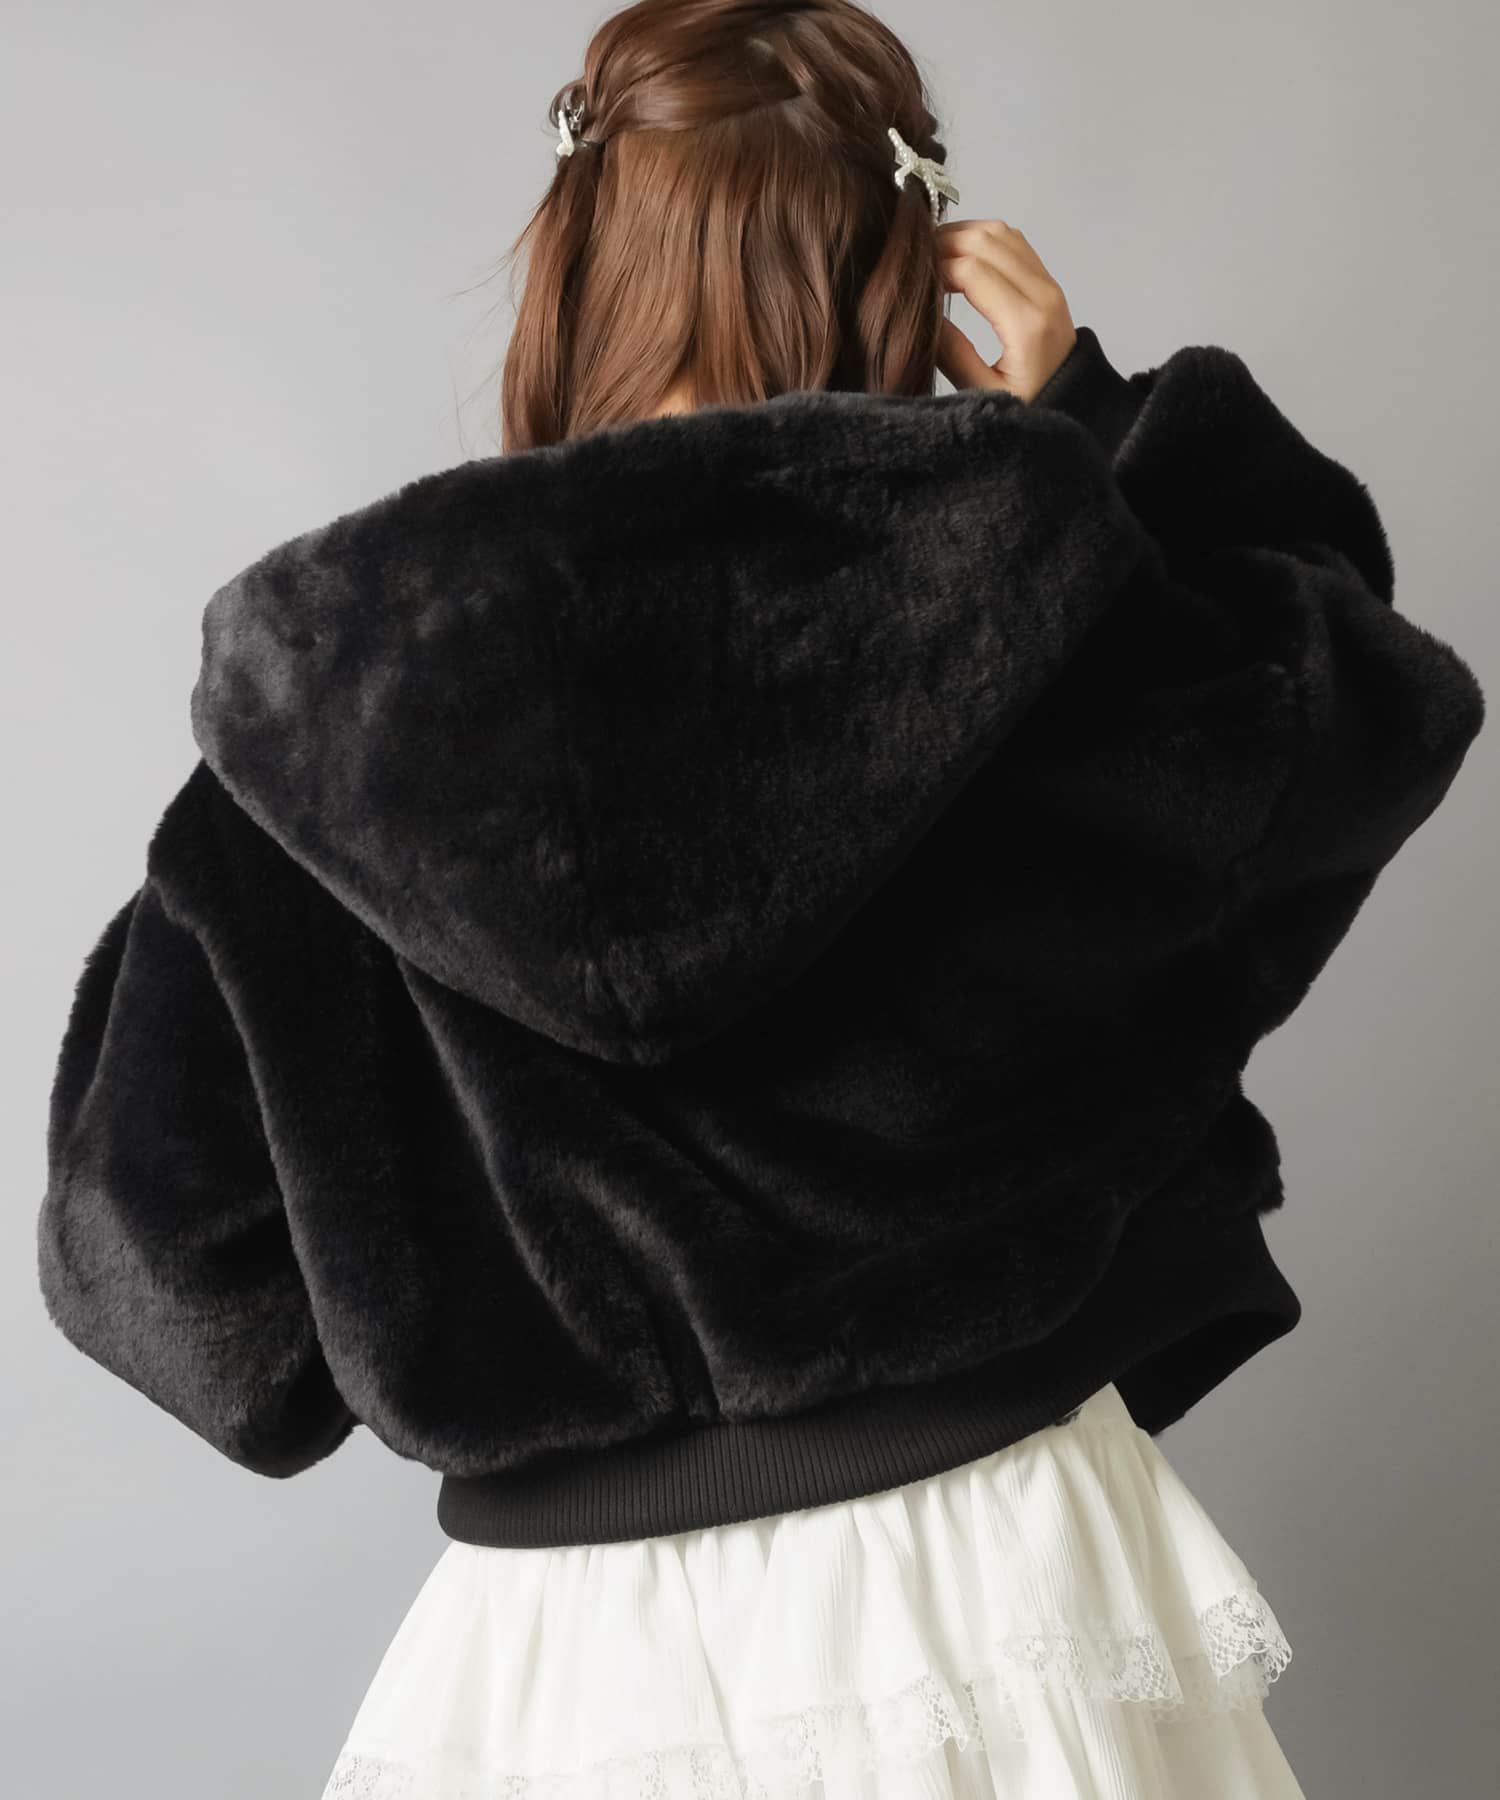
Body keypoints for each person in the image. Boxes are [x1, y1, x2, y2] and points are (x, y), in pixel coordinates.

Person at [35, 2, 1486, 1796]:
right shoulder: (1046, 615)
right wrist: (1101, 420)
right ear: (905, 255)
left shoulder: (322, 705)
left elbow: (173, 1286)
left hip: (566, 1663)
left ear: (575, 256)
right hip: (1001, 1581)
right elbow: (1364, 714)